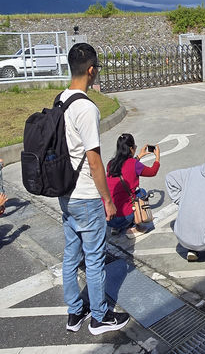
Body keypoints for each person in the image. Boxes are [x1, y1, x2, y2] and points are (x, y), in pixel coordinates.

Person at [58, 42, 129, 336]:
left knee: (70, 255)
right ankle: (99, 317)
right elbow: (95, 161)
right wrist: (108, 200)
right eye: (96, 68)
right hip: (86, 195)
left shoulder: (61, 99)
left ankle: (75, 312)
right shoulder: (86, 108)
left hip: (65, 193)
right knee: (95, 257)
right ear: (90, 70)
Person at [106, 133, 160, 238]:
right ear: (131, 148)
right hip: (124, 217)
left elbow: (125, 167)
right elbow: (153, 172)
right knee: (142, 193)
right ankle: (134, 227)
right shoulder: (134, 164)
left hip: (108, 217)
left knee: (118, 195)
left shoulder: (110, 164)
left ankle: (115, 228)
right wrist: (157, 157)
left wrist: (139, 156)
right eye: (134, 146)